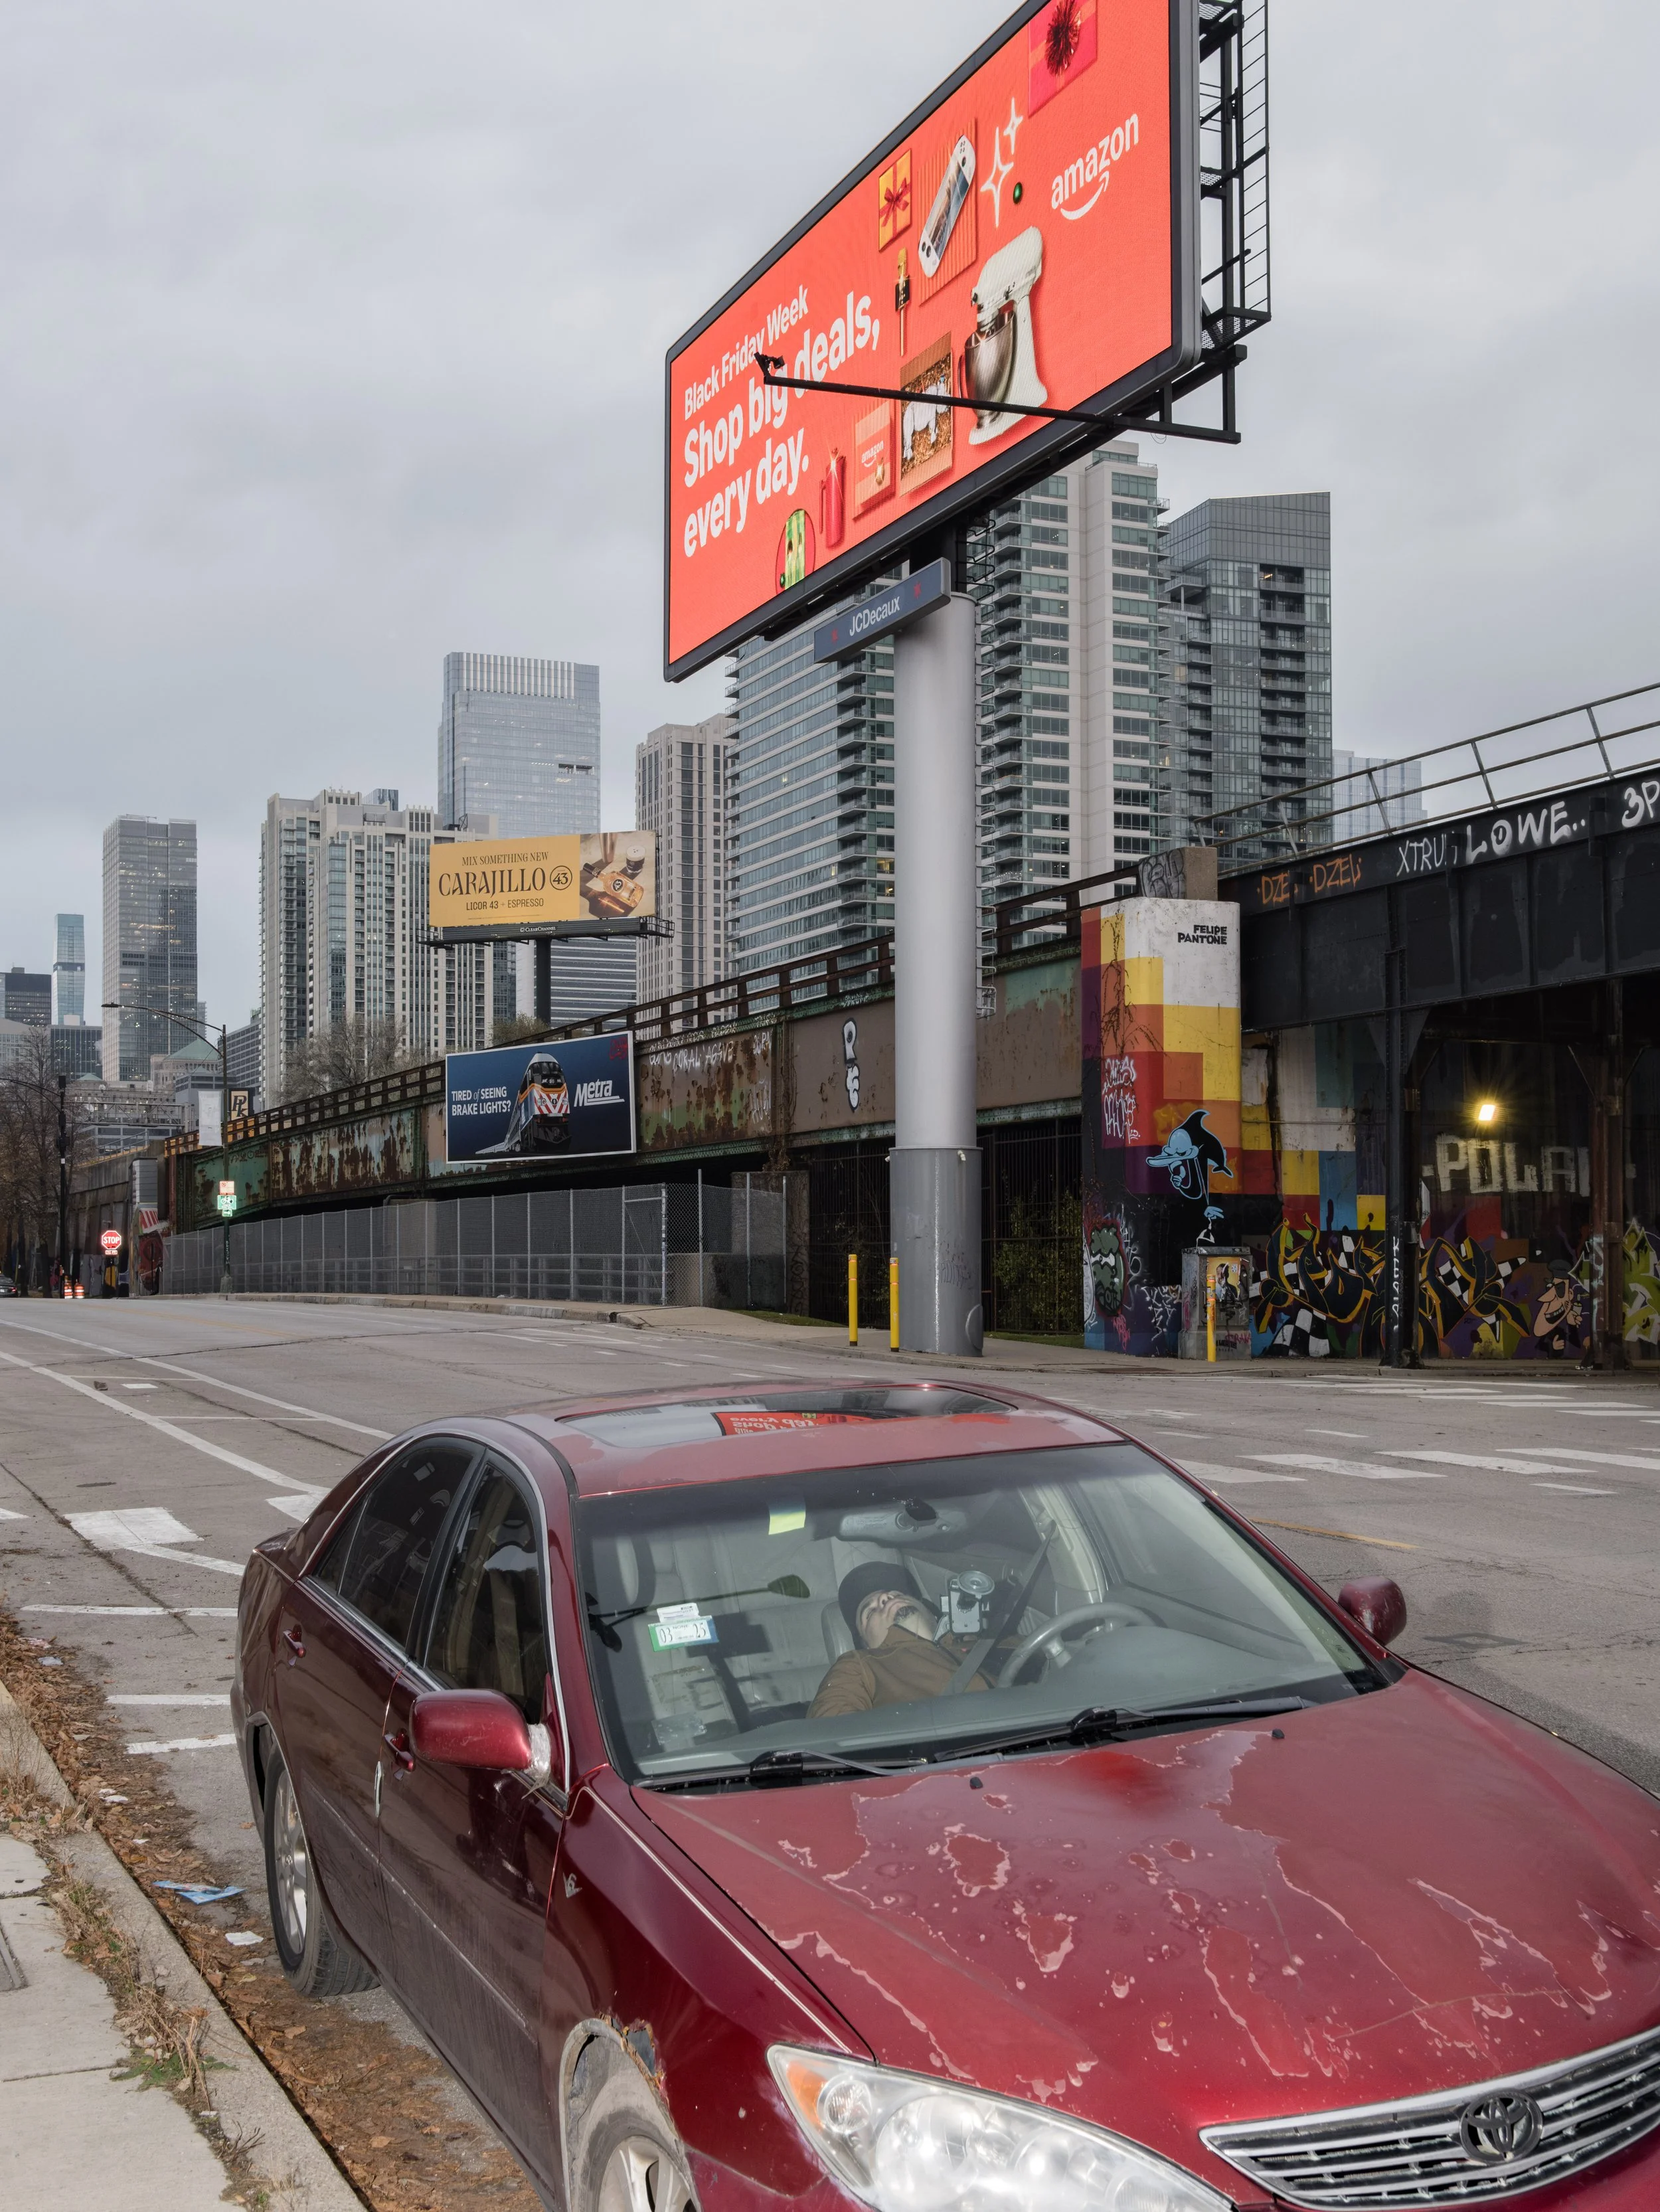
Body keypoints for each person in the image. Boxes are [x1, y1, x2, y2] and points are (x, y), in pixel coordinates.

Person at [809, 1561, 997, 1717]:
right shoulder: (858, 1666)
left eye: (898, 1595)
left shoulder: (993, 1641)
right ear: (865, 1645)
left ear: (929, 1610)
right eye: (870, 1611)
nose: (886, 1597)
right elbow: (831, 1732)